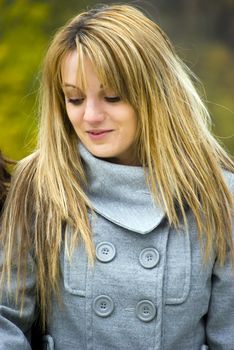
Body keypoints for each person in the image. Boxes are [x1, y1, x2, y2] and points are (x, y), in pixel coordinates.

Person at [0, 4, 234, 350]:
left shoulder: (220, 197)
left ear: (156, 96)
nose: (91, 116)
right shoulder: (40, 186)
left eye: (113, 97)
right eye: (75, 99)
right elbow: (6, 319)